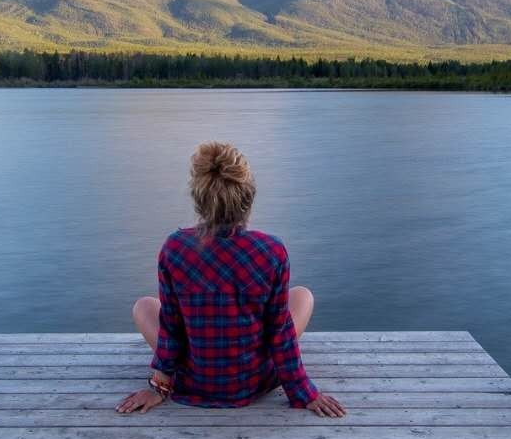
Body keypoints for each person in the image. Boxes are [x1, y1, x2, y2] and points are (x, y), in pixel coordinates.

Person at [117, 142, 347, 418]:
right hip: (252, 382)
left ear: (198, 199)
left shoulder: (174, 248)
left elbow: (171, 327)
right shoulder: (271, 251)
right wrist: (303, 392)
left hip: (194, 380)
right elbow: (280, 332)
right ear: (248, 198)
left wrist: (159, 386)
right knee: (302, 296)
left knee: (144, 306)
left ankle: (182, 374)